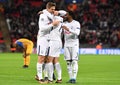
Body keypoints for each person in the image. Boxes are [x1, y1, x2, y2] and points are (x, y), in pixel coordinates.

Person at [35, 2, 60, 84]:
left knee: (47, 59)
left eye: (54, 9)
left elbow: (64, 13)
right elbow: (42, 28)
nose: (53, 10)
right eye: (52, 9)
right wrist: (52, 24)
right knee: (41, 58)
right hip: (43, 39)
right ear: (48, 8)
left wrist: (57, 13)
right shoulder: (43, 16)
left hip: (50, 39)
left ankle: (45, 76)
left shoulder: (52, 15)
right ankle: (40, 77)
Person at [62, 11, 81, 83]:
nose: (65, 16)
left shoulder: (76, 23)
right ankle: (70, 78)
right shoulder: (64, 24)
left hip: (74, 44)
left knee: (74, 61)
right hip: (66, 44)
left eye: (66, 15)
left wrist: (68, 29)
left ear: (70, 15)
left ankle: (74, 78)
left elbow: (77, 33)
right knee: (68, 62)